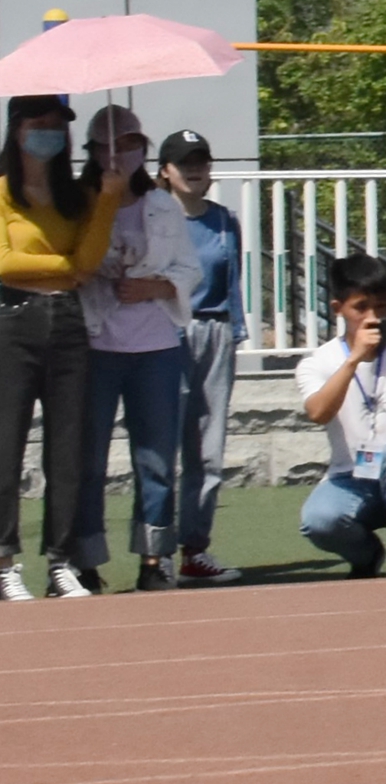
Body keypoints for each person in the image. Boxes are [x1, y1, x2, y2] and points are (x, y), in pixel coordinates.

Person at [0, 96, 125, 598]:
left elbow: (90, 261)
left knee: (68, 449)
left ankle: (61, 560)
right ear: (17, 128)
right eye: (39, 123)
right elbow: (5, 264)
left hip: (69, 323)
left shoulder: (76, 196)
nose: (49, 132)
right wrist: (64, 267)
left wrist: (110, 199)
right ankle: (5, 562)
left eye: (57, 125)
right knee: (6, 446)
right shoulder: (4, 191)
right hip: (12, 321)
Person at [78, 107, 202, 594]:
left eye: (131, 143)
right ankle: (85, 559)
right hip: (96, 342)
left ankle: (154, 556)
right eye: (109, 145)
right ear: (92, 152)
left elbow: (188, 270)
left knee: (154, 456)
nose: (121, 153)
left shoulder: (163, 205)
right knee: (88, 458)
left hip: (156, 346)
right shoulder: (82, 202)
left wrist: (157, 287)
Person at [294, 254, 386, 577]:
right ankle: (365, 555)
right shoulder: (318, 361)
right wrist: (353, 361)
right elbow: (319, 413)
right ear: (338, 309)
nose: (372, 317)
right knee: (318, 521)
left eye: (381, 306)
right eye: (360, 308)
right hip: (349, 477)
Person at [157, 132, 245, 585]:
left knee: (208, 450)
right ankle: (157, 551)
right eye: (184, 162)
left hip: (215, 331)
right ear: (165, 171)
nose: (194, 170)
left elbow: (232, 282)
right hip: (167, 332)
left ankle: (195, 548)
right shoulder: (155, 219)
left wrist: (235, 331)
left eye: (202, 161)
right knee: (163, 445)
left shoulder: (225, 221)